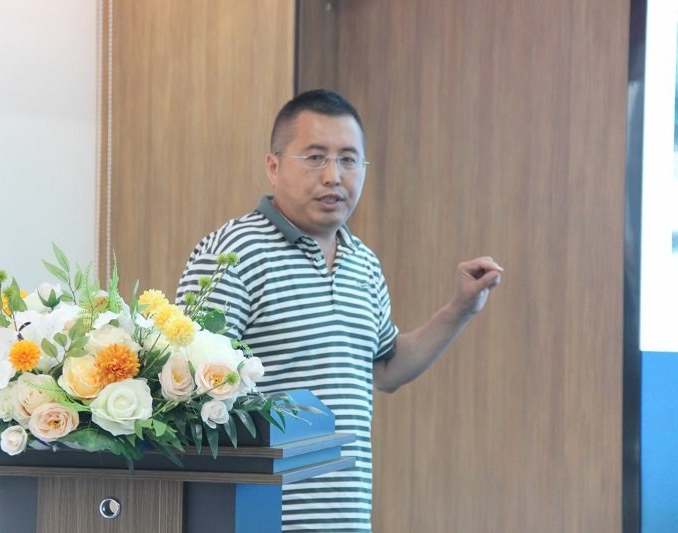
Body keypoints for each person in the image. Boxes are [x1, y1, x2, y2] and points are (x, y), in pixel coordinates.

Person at [176, 89, 503, 532]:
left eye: (349, 160)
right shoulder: (232, 254)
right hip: (259, 520)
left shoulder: (363, 263)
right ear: (273, 166)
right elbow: (187, 393)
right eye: (315, 158)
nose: (333, 176)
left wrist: (460, 308)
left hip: (346, 519)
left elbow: (384, 369)